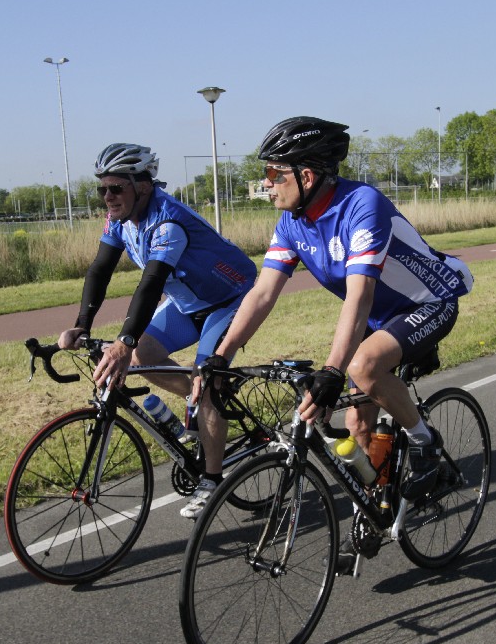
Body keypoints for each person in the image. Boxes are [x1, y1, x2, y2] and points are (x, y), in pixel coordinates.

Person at [197, 115, 473, 522]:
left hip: (427, 303)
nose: (266, 183)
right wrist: (222, 355)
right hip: (378, 317)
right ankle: (378, 510)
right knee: (357, 424)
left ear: (306, 176)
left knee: (361, 367)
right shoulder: (292, 222)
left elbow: (359, 297)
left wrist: (332, 370)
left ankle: (423, 440)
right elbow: (263, 293)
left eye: (273, 173)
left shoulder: (362, 206)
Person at [56, 143, 258, 519]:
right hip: (188, 302)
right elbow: (100, 269)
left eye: (116, 188)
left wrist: (123, 339)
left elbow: (150, 284)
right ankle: (198, 406)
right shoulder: (118, 219)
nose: (108, 197)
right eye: (102, 189)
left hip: (230, 299)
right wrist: (82, 324)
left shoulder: (168, 223)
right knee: (142, 356)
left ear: (144, 186)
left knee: (206, 382)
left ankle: (212, 480)